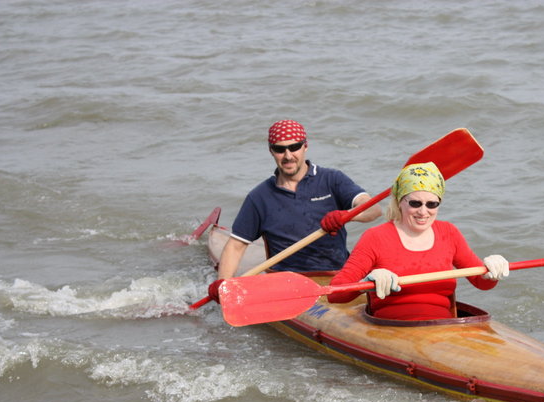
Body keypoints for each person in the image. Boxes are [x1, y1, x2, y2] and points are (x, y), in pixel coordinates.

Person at [208, 119, 381, 301]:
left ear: (305, 146)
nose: (288, 155)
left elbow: (373, 209)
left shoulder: (332, 179)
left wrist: (347, 216)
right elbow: (236, 246)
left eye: (294, 147)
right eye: (280, 149)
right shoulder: (259, 197)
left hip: (337, 275)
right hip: (286, 281)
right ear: (271, 151)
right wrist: (223, 285)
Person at [327, 162, 509, 320]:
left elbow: (482, 283)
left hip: (444, 327)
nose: (423, 212)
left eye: (432, 204)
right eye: (415, 203)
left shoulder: (449, 233)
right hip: (390, 328)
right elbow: (334, 294)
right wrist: (364, 284)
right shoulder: (375, 237)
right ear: (399, 202)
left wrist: (491, 272)